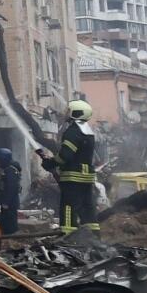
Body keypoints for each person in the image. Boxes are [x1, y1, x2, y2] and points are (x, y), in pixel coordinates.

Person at [41, 99, 98, 235]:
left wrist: (51, 163)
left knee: (68, 206)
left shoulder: (72, 132)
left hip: (73, 176)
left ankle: (67, 236)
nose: (66, 113)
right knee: (87, 207)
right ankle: (94, 236)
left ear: (76, 113)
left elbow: (65, 156)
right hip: (87, 177)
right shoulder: (88, 132)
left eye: (69, 110)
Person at [0, 147, 23, 237]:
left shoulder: (10, 170)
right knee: (5, 223)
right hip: (9, 203)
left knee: (9, 225)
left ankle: (11, 239)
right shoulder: (8, 169)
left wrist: (6, 202)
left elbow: (11, 188)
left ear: (3, 159)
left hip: (10, 203)